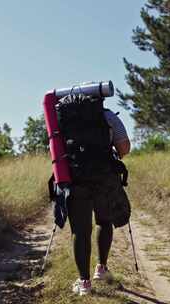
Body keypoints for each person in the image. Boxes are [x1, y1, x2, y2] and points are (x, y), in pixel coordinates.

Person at [68, 107, 131, 296]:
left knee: (80, 230)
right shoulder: (108, 115)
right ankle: (101, 269)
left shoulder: (64, 116)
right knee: (103, 221)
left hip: (75, 178)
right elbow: (124, 148)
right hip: (104, 178)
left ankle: (84, 283)